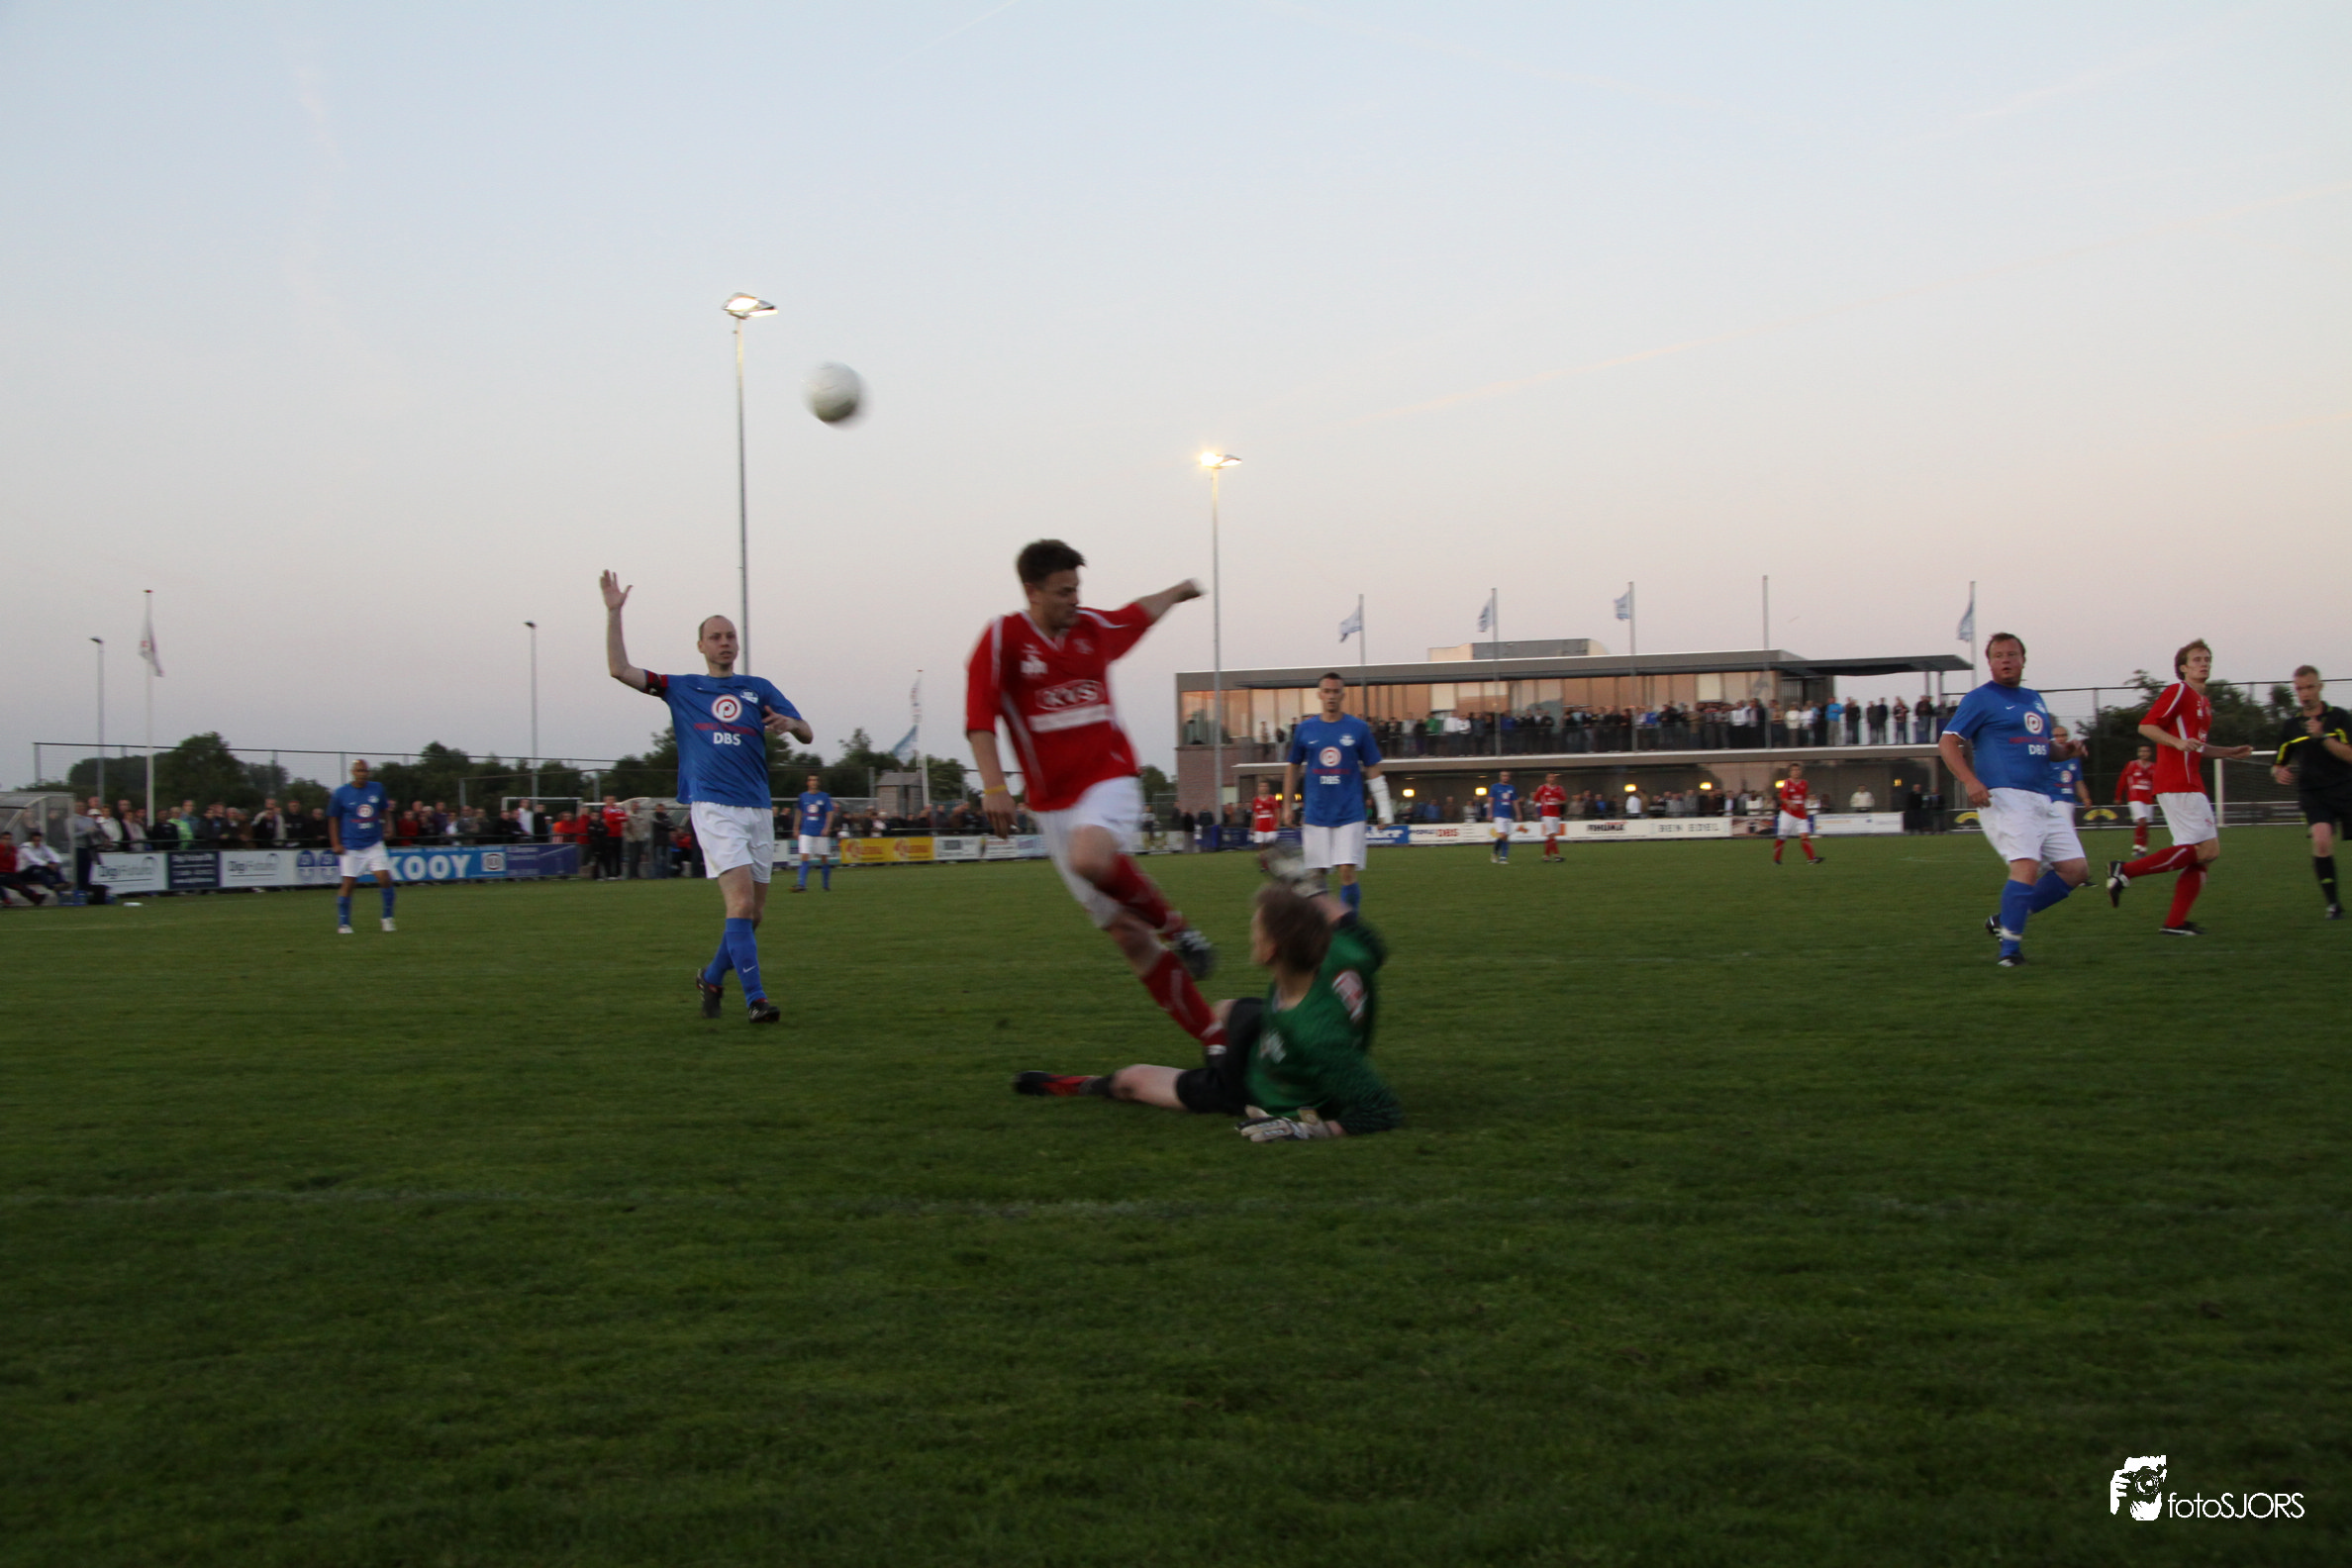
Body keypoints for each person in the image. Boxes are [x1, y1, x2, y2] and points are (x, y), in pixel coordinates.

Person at [965, 539, 1222, 1050]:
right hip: (1051, 805)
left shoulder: (1092, 629)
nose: (1075, 599)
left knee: (1089, 857)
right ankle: (1217, 1042)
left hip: (1109, 778)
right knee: (1128, 936)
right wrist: (994, 786)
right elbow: (979, 720)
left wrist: (1179, 591)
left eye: (1077, 588)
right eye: (1064, 591)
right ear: (1032, 592)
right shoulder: (1002, 639)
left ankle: (1178, 928)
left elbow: (1137, 614)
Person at [1011, 879, 1401, 1144]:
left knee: (1133, 1080)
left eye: (1257, 930)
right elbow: (1362, 933)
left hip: (1256, 1088)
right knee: (1225, 1010)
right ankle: (1218, 1059)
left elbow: (1380, 1110)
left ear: (1271, 951)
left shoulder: (1316, 1035)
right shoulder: (1340, 949)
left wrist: (1307, 1130)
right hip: (1271, 1035)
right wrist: (1306, 884)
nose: (1251, 934)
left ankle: (1082, 1085)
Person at [602, 569, 812, 1024]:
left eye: (730, 636)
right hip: (715, 807)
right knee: (740, 905)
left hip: (758, 809)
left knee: (754, 916)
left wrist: (792, 724)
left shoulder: (759, 688)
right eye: (715, 637)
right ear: (701, 646)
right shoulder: (681, 687)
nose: (725, 642)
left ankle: (713, 978)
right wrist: (614, 613)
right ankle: (756, 1000)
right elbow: (620, 669)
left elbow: (807, 732)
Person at [1937, 633, 2088, 966]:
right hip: (2004, 797)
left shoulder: (2034, 699)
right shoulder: (1980, 698)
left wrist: (2066, 750)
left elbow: (2045, 748)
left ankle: (2006, 919)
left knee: (2076, 870)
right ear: (1990, 662)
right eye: (1999, 655)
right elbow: (1947, 742)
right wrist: (1970, 780)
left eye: (2012, 654)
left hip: (2042, 798)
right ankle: (2010, 952)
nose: (2006, 660)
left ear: (2023, 660)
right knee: (2026, 867)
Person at [2105, 638, 2253, 935]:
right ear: (2183, 668)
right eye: (2197, 659)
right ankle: (2125, 870)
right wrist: (2176, 742)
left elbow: (2196, 746)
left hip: (2188, 783)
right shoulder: (2179, 691)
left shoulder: (2204, 703)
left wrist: (2229, 752)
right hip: (2178, 782)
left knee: (2202, 855)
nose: (2204, 663)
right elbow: (2146, 726)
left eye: (2207, 659)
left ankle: (2174, 923)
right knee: (2207, 849)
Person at [1282, 672, 1390, 912]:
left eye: (1335, 692)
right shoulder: (1305, 729)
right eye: (1327, 691)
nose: (1331, 696)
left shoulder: (1359, 728)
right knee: (1316, 876)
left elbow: (1373, 767)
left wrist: (1384, 807)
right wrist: (1287, 806)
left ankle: (1349, 924)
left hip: (1350, 812)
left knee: (1347, 870)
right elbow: (1292, 767)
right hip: (1316, 813)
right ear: (1319, 695)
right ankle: (1323, 925)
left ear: (1343, 695)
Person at [2269, 664, 2351, 919]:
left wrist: (2323, 737)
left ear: (2320, 687)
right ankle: (2333, 905)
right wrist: (2278, 772)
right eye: (2300, 689)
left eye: (2309, 687)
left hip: (2347, 789)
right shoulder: (2291, 726)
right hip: (2314, 795)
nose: (2305, 693)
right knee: (2322, 840)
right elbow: (2278, 763)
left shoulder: (2340, 718)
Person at [329, 758, 397, 934]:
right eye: (359, 770)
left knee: (384, 878)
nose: (362, 774)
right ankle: (344, 924)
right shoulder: (341, 793)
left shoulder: (377, 788)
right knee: (348, 884)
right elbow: (333, 819)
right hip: (351, 845)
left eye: (365, 770)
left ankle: (387, 918)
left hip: (374, 843)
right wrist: (336, 843)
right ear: (353, 772)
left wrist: (389, 827)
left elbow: (385, 810)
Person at [792, 772, 838, 893]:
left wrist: (827, 827)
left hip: (820, 832)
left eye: (816, 780)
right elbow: (799, 812)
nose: (814, 782)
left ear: (818, 782)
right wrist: (796, 828)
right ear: (807, 783)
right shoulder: (803, 796)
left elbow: (829, 813)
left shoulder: (824, 797)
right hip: (806, 831)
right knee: (804, 855)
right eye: (811, 780)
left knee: (824, 858)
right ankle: (802, 884)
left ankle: (825, 885)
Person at [1771, 762, 1821, 866]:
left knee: (1804, 836)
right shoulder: (1786, 783)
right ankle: (1776, 859)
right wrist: (1790, 803)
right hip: (1788, 814)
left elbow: (1804, 797)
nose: (1796, 772)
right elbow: (1783, 797)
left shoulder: (1804, 783)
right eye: (1794, 770)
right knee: (1782, 837)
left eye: (1798, 770)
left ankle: (1811, 859)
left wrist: (1806, 805)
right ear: (1790, 772)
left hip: (1800, 814)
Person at [2114, 743, 2158, 855]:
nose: (2143, 753)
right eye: (2141, 751)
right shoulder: (2132, 765)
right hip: (2135, 798)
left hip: (2148, 799)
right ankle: (2137, 846)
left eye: (2146, 751)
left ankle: (2143, 847)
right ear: (2138, 753)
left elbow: (2157, 783)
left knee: (2146, 825)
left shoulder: (2154, 767)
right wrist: (2118, 796)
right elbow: (2123, 780)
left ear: (2150, 753)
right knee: (2141, 821)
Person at [2050, 726, 2092, 819]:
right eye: (2056, 736)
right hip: (2053, 799)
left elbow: (2078, 781)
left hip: (2069, 800)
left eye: (2063, 735)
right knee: (2065, 825)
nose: (2060, 738)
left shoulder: (2074, 759)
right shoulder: (2048, 756)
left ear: (2067, 736)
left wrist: (2085, 798)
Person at [1533, 772, 1567, 862]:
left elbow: (1564, 800)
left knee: (1550, 836)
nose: (1552, 779)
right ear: (1546, 778)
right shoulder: (1542, 788)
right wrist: (1537, 811)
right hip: (1546, 814)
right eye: (1550, 777)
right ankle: (1557, 855)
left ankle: (1546, 856)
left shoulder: (1560, 789)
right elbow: (1536, 799)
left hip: (1556, 814)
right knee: (1551, 834)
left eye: (1553, 777)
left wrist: (1559, 802)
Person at [1488, 770, 1518, 863]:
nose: (1505, 777)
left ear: (1509, 777)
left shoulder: (1511, 788)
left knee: (1506, 837)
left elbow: (1515, 801)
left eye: (1507, 776)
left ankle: (1503, 857)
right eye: (1503, 776)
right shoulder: (1495, 787)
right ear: (1500, 777)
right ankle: (1495, 853)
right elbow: (1490, 800)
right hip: (1498, 814)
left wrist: (1519, 813)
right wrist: (1489, 813)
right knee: (1502, 835)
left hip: (1508, 815)